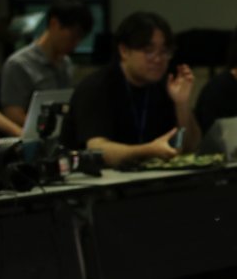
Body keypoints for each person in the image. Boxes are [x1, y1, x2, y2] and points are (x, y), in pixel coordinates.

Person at [64, 11, 200, 168]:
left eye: (164, 52)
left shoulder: (165, 85)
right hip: (93, 184)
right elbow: (98, 149)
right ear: (124, 51)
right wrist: (148, 150)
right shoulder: (96, 87)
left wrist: (182, 104)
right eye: (149, 51)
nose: (158, 59)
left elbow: (190, 146)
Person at [0, 0, 94, 127]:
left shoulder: (65, 63)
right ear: (54, 24)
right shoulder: (19, 64)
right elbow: (13, 114)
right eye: (73, 36)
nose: (75, 44)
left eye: (80, 39)